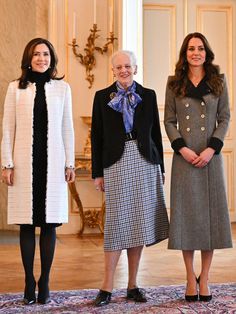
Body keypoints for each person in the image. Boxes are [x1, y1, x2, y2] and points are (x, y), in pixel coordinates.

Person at [91, 50, 169, 306]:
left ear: (135, 68)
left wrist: (161, 167)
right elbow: (97, 137)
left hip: (145, 161)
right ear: (112, 70)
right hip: (116, 162)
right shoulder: (102, 97)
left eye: (128, 66)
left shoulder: (149, 95)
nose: (123, 70)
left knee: (139, 223)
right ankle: (106, 287)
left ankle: (133, 285)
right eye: (118, 67)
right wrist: (97, 173)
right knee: (116, 224)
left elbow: (156, 133)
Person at [1, 38, 75, 305]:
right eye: (36, 54)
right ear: (28, 58)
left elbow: (68, 127)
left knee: (49, 224)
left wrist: (69, 163)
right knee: (26, 223)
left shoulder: (62, 88)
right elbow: (8, 128)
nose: (41, 59)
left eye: (45, 54)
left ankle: (44, 281)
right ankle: (27, 280)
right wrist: (7, 164)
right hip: (24, 163)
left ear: (51, 58)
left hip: (53, 164)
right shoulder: (15, 88)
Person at [164, 32, 232, 302]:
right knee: (186, 219)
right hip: (184, 158)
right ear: (185, 53)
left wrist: (211, 148)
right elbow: (169, 120)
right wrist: (182, 147)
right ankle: (189, 276)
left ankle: (205, 277)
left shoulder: (219, 81)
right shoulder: (174, 83)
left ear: (207, 52)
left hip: (210, 158)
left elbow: (225, 117)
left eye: (200, 48)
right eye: (191, 49)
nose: (196, 53)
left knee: (209, 221)